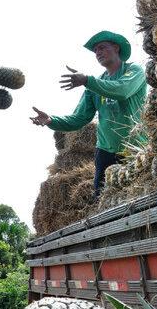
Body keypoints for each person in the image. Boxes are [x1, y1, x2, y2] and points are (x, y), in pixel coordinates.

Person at [31, 30, 147, 198]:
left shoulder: (134, 70)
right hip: (106, 153)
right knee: (102, 202)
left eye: (102, 48)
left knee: (138, 198)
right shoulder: (95, 85)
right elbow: (79, 119)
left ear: (116, 47)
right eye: (95, 51)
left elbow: (123, 90)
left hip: (136, 149)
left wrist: (87, 80)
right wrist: (51, 120)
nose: (98, 53)